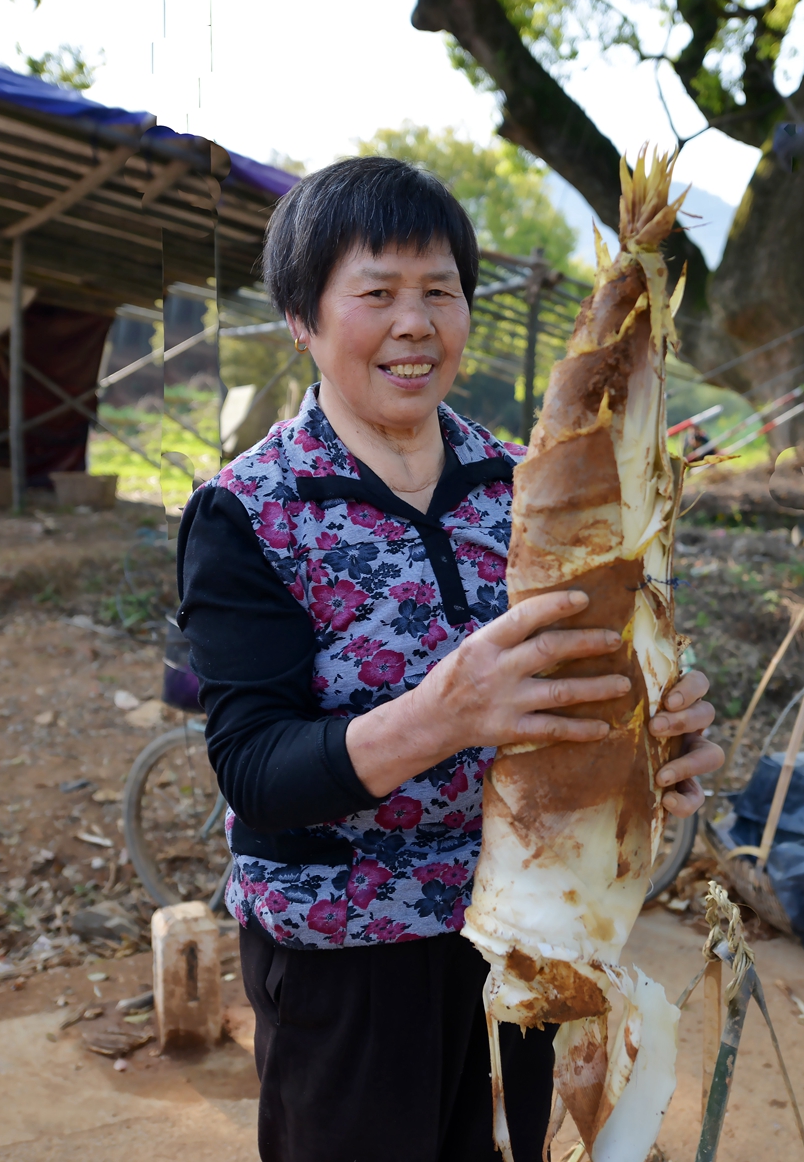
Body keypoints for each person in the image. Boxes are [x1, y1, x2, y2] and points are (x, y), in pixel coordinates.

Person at [175, 157, 722, 1162]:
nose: (414, 322)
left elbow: (590, 677)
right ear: (302, 319)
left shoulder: (524, 485)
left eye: (439, 291)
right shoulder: (252, 512)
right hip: (346, 963)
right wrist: (445, 713)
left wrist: (652, 749)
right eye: (375, 293)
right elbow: (254, 769)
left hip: (519, 942)